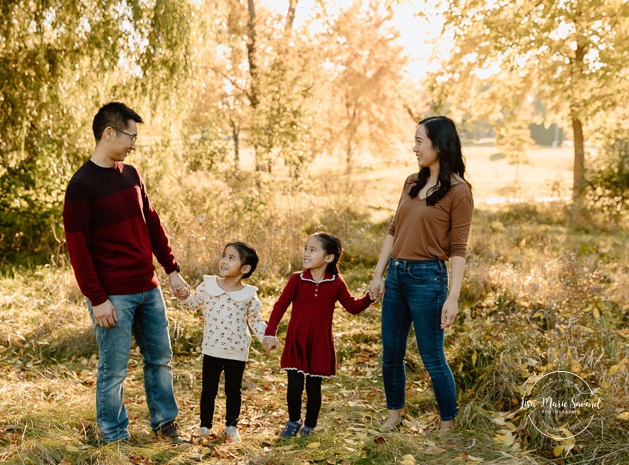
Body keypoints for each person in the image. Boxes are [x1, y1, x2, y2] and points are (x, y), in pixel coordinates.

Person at [63, 102, 189, 444]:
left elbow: (152, 224)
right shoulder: (81, 186)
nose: (134, 143)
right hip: (113, 296)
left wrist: (171, 270)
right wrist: (97, 299)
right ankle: (114, 436)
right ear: (109, 133)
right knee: (114, 370)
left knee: (160, 359)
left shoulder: (131, 174)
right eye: (130, 136)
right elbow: (78, 251)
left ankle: (166, 424)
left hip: (148, 288)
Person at [369, 116, 474, 432]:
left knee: (432, 358)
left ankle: (447, 424)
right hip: (398, 276)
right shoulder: (411, 182)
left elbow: (458, 249)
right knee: (391, 355)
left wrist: (453, 297)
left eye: (419, 141)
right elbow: (393, 230)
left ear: (439, 145)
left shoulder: (459, 192)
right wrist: (379, 275)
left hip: (428, 281)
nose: (413, 147)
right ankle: (394, 416)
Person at [264, 232, 377, 437]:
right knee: (295, 386)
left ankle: (310, 426)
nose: (306, 253)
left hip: (319, 342)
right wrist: (270, 332)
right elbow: (280, 305)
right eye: (305, 248)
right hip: (297, 340)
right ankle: (293, 421)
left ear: (329, 258)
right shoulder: (297, 280)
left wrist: (370, 297)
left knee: (314, 388)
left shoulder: (335, 283)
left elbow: (352, 306)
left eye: (312, 250)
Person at [177, 242, 274, 443]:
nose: (224, 260)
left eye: (231, 258)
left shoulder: (248, 294)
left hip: (236, 351)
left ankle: (231, 427)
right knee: (208, 390)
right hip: (212, 349)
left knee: (233, 391)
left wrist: (266, 337)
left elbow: (255, 319)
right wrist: (185, 297)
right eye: (224, 255)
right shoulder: (209, 285)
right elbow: (194, 303)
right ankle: (204, 427)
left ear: (245, 269)